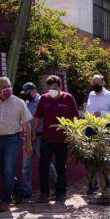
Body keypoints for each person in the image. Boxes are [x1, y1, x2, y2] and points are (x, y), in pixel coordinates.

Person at [0, 76, 32, 211]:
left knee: (8, 169)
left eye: (8, 86)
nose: (7, 89)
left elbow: (27, 124)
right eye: (3, 87)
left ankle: (5, 200)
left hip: (13, 139)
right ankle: (18, 190)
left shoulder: (19, 102)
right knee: (1, 170)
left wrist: (28, 143)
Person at [33, 75, 80, 203]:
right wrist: (33, 133)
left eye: (54, 88)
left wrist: (74, 134)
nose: (52, 91)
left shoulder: (68, 98)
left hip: (63, 140)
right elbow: (37, 117)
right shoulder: (44, 99)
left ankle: (61, 192)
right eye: (50, 88)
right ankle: (44, 193)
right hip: (46, 139)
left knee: (61, 167)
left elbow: (76, 117)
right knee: (43, 165)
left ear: (60, 87)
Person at [20, 82, 57, 200]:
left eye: (27, 93)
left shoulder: (43, 100)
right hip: (28, 138)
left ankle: (58, 185)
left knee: (46, 163)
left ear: (33, 91)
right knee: (26, 165)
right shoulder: (26, 102)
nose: (26, 96)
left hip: (40, 137)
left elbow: (43, 117)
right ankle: (26, 191)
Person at [86, 74, 110, 182]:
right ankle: (94, 181)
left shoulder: (109, 95)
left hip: (105, 127)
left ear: (103, 83)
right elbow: (88, 110)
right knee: (91, 154)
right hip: (92, 127)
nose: (95, 85)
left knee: (107, 153)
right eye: (94, 83)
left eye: (98, 83)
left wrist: (102, 114)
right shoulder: (91, 94)